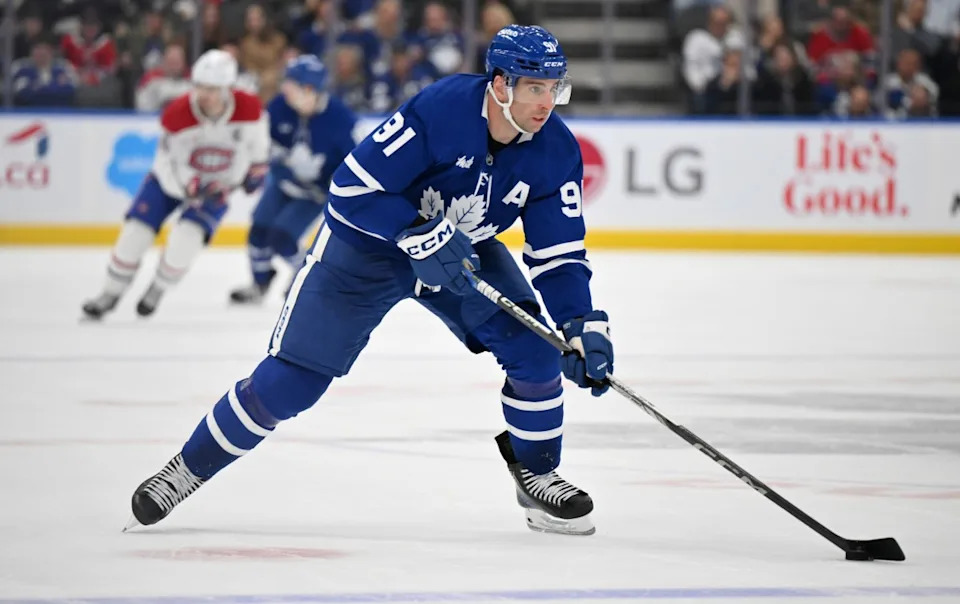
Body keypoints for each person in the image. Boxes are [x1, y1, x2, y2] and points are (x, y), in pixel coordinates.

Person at [124, 25, 615, 537]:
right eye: (535, 87)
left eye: (554, 88)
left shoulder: (557, 151)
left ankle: (536, 474)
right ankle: (186, 469)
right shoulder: (442, 109)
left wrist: (580, 323)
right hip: (367, 249)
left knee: (536, 351)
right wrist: (415, 231)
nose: (547, 103)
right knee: (291, 383)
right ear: (499, 84)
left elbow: (559, 255)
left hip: (460, 252)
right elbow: (350, 190)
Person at [81, 49, 270, 320]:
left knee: (187, 239)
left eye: (212, 89)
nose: (204, 94)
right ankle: (110, 293)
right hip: (170, 182)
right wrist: (188, 185)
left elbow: (258, 147)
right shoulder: (178, 113)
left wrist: (256, 169)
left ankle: (158, 288)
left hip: (216, 187)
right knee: (135, 233)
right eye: (200, 86)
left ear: (228, 88)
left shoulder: (250, 109)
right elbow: (165, 163)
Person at [229, 55, 359, 304]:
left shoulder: (341, 120)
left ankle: (308, 277)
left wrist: (335, 184)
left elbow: (356, 160)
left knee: (283, 238)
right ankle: (259, 284)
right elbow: (263, 144)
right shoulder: (279, 107)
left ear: (309, 89)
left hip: (314, 193)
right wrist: (255, 168)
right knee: (258, 231)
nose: (284, 88)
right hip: (283, 182)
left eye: (291, 83)